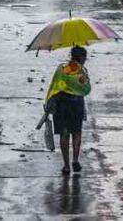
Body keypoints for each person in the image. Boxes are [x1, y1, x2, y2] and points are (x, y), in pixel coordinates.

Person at [45, 46, 91, 175]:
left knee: (64, 135)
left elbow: (54, 86)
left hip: (62, 105)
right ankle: (75, 160)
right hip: (76, 105)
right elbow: (86, 89)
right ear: (81, 58)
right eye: (85, 58)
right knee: (76, 133)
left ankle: (66, 165)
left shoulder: (61, 69)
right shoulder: (82, 71)